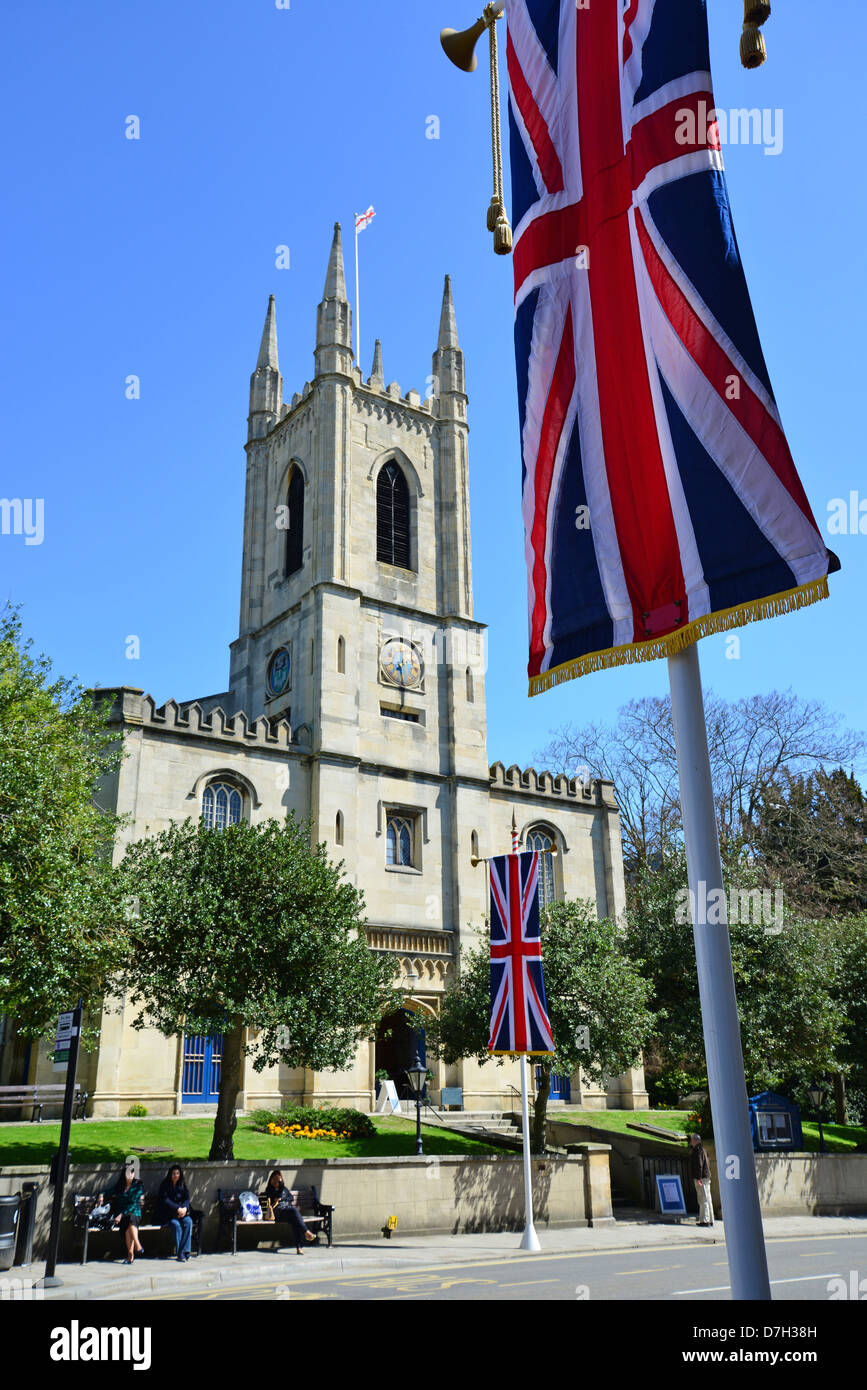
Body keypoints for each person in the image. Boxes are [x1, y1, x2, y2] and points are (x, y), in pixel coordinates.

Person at [261, 1170, 316, 1253]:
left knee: (295, 1221)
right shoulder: (270, 1189)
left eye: (278, 1179)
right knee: (294, 1211)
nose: (276, 1181)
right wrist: (278, 1194)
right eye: (274, 1179)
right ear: (271, 1179)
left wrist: (283, 1196)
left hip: (288, 1211)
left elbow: (291, 1198)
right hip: (278, 1213)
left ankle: (299, 1248)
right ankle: (306, 1232)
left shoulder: (284, 1188)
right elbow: (274, 1197)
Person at [103, 1161, 144, 1263]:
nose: (130, 1175)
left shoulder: (138, 1185)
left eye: (132, 1172)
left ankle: (132, 1253)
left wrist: (120, 1215)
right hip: (122, 1215)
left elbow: (133, 1203)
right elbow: (108, 1192)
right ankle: (132, 1253)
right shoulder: (120, 1187)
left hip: (134, 1212)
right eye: (128, 1172)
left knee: (130, 1219)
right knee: (127, 1223)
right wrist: (101, 1195)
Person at [158, 1165, 194, 1262]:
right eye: (173, 1174)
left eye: (177, 1173)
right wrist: (178, 1209)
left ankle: (185, 1252)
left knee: (188, 1222)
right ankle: (180, 1253)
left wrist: (185, 1209)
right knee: (176, 1225)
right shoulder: (164, 1185)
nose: (175, 1176)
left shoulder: (182, 1185)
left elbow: (187, 1198)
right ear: (170, 1174)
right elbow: (166, 1201)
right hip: (169, 1215)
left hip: (182, 1213)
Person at [689, 1133, 715, 1227]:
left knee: (702, 1199)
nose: (691, 1142)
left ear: (695, 1140)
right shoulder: (703, 1149)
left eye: (692, 1140)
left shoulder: (697, 1150)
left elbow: (699, 1165)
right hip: (706, 1177)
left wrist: (698, 1178)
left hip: (701, 1178)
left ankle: (704, 1220)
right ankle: (711, 1219)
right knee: (708, 1198)